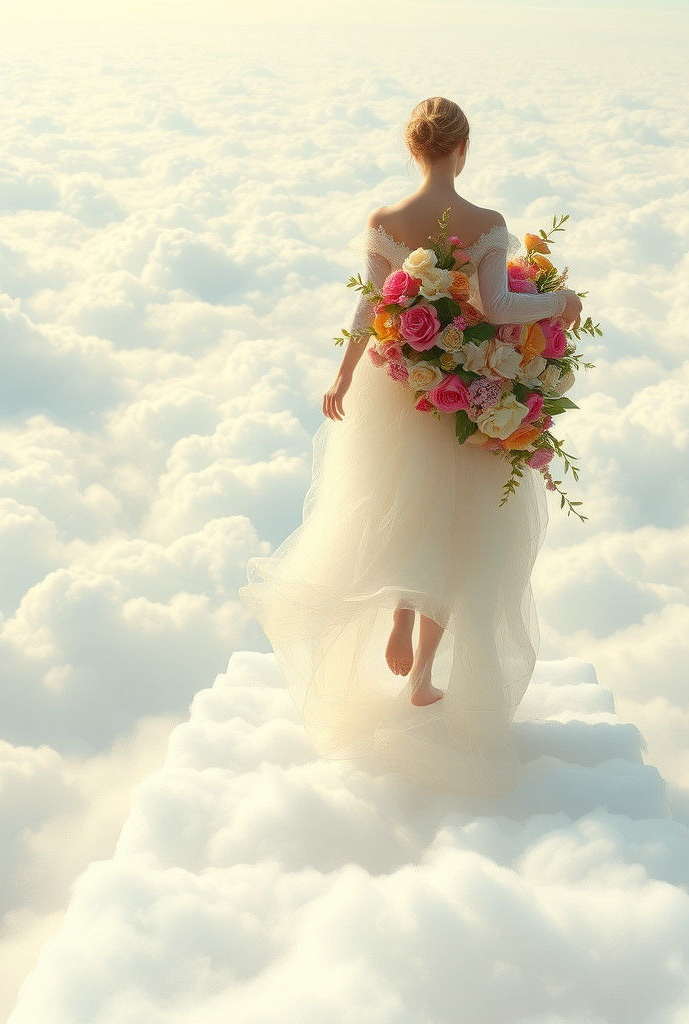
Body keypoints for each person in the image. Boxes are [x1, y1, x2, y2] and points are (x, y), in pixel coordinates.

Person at [238, 96, 583, 796]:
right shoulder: (487, 225)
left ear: (412, 148)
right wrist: (560, 305)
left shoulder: (385, 222)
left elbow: (370, 304)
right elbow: (496, 309)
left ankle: (398, 612)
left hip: (397, 390)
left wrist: (340, 374)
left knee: (402, 507)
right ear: (463, 149)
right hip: (462, 396)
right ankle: (424, 674)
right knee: (459, 530)